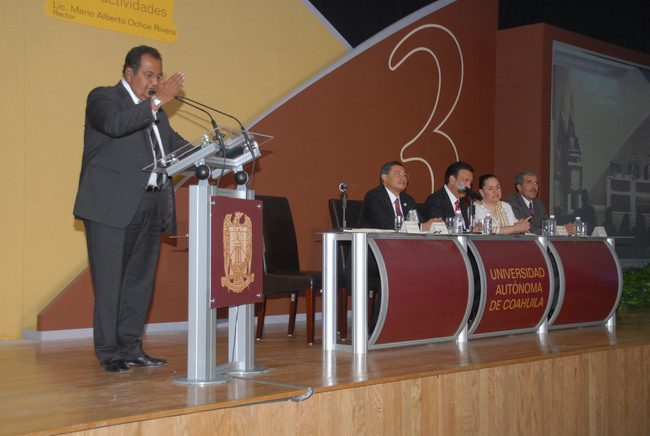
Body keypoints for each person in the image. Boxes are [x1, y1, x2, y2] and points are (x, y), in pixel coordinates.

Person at [73, 46, 187, 373]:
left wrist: (219, 154)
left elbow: (176, 147)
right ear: (129, 73)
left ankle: (131, 347)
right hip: (110, 207)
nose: (155, 82)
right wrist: (156, 101)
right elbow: (115, 125)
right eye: (149, 75)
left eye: (159, 76)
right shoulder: (104, 98)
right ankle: (109, 353)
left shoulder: (157, 114)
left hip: (150, 204)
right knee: (110, 284)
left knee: (139, 283)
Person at [358, 161, 435, 231]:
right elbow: (385, 226)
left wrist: (432, 225)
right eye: (398, 174)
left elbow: (419, 222)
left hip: (404, 241)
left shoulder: (409, 200)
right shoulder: (374, 197)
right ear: (384, 177)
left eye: (405, 175)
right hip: (376, 241)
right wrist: (421, 227)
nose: (403, 178)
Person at [506, 171, 574, 235]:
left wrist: (566, 229)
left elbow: (547, 226)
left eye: (536, 183)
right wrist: (559, 231)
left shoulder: (539, 204)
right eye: (530, 183)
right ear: (519, 187)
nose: (534, 186)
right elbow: (529, 229)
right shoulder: (511, 204)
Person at [422, 161, 474, 229]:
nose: (469, 186)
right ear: (452, 180)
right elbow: (438, 230)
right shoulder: (435, 200)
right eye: (466, 181)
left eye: (470, 182)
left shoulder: (462, 203)